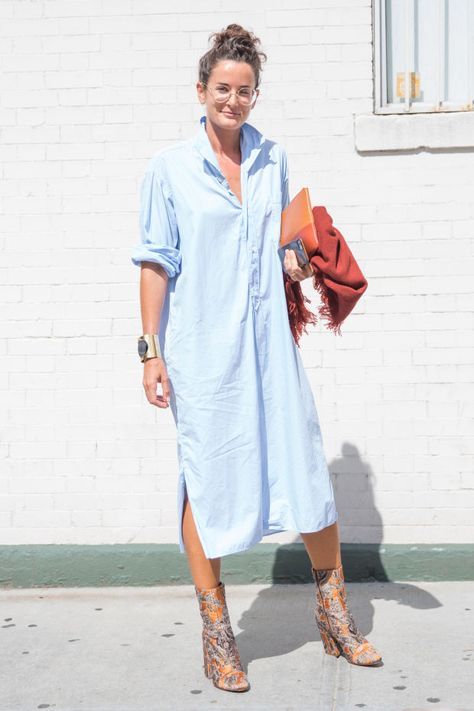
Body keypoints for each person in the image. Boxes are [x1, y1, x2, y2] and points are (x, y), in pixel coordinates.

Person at [131, 23, 382, 694]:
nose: (233, 100)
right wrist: (150, 351)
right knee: (206, 478)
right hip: (203, 353)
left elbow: (277, 256)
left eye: (244, 91)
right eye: (222, 89)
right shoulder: (169, 170)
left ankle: (333, 613)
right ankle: (218, 635)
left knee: (305, 470)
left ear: (255, 94)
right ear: (201, 89)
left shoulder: (274, 158)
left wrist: (307, 259)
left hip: (271, 344)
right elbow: (157, 264)